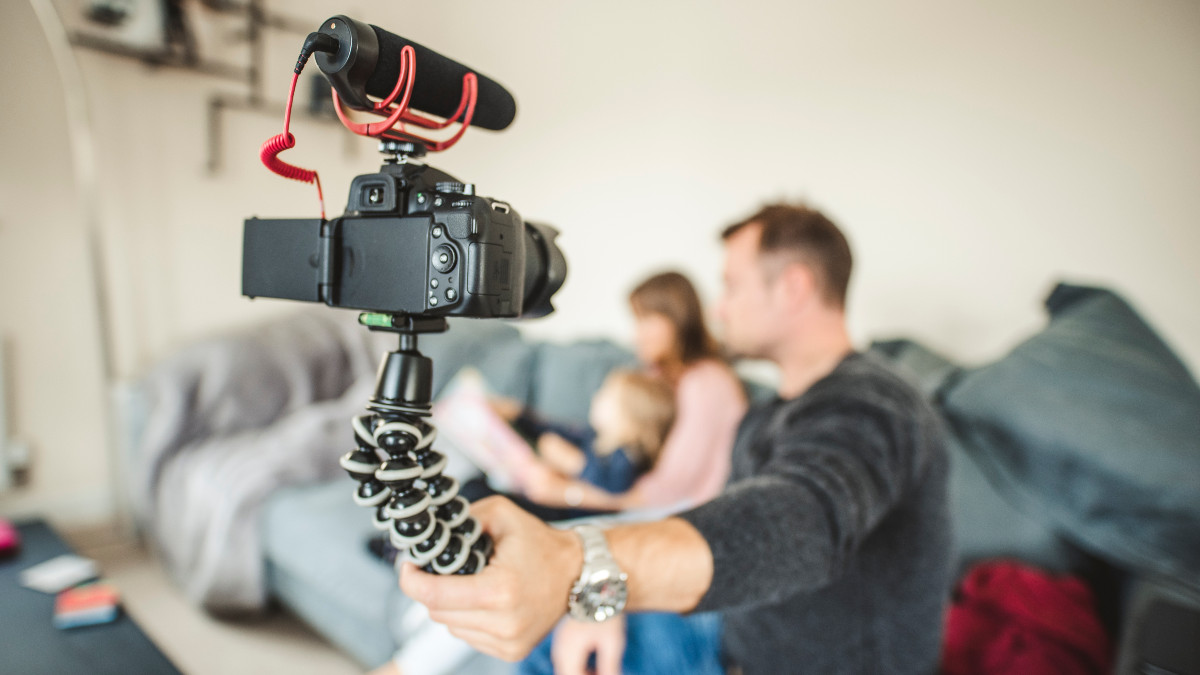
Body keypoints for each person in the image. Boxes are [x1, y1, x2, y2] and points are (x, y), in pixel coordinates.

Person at [399, 203, 954, 674]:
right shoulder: (770, 415)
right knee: (555, 632)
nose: (718, 309)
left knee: (547, 634)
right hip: (728, 626)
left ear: (794, 287)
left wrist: (586, 563)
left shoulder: (874, 404)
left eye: (732, 286)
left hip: (784, 660)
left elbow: (799, 520)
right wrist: (607, 602)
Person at [515, 270, 747, 513]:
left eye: (646, 320)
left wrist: (570, 494)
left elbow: (669, 491)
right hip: (631, 502)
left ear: (677, 318)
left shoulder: (708, 384)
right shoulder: (656, 377)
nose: (636, 336)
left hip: (679, 515)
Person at [521, 368, 676, 498]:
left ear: (630, 424)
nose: (596, 396)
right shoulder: (594, 435)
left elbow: (614, 487)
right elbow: (560, 431)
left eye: (606, 395)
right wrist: (521, 416)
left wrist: (576, 463)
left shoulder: (625, 460)